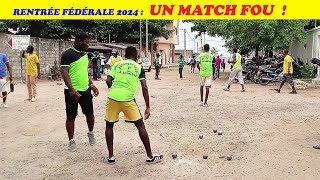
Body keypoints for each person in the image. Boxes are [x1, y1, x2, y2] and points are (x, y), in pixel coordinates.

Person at [104, 46, 163, 164]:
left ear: (125, 55)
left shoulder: (117, 64)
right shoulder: (139, 67)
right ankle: (150, 157)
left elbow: (108, 80)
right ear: (136, 56)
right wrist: (147, 106)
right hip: (128, 99)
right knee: (140, 126)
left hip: (113, 97)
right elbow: (144, 87)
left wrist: (114, 89)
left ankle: (111, 157)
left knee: (109, 126)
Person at [60, 33, 100, 152]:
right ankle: (71, 140)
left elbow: (83, 72)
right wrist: (71, 89)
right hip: (71, 91)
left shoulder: (85, 55)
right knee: (71, 116)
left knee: (90, 114)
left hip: (86, 89)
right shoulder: (67, 53)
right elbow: (64, 72)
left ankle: (91, 133)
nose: (88, 45)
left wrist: (91, 85)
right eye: (86, 42)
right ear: (78, 41)